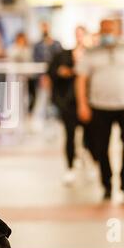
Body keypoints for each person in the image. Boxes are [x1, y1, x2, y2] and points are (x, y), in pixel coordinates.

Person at [76, 19, 124, 200]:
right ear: (100, 31)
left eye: (110, 29)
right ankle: (107, 184)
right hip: (100, 106)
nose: (107, 33)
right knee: (101, 147)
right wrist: (82, 104)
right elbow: (81, 80)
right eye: (104, 30)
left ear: (117, 31)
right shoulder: (91, 52)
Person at [48, 26, 93, 185]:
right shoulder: (64, 55)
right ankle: (70, 167)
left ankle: (89, 161)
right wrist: (62, 72)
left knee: (90, 136)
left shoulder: (91, 54)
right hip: (69, 103)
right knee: (70, 136)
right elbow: (52, 71)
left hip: (89, 102)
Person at [31, 22, 63, 114]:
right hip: (41, 77)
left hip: (55, 77)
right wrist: (42, 76)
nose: (45, 29)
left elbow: (59, 60)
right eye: (43, 27)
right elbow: (36, 61)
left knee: (55, 100)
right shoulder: (37, 45)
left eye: (46, 27)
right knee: (41, 99)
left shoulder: (56, 44)